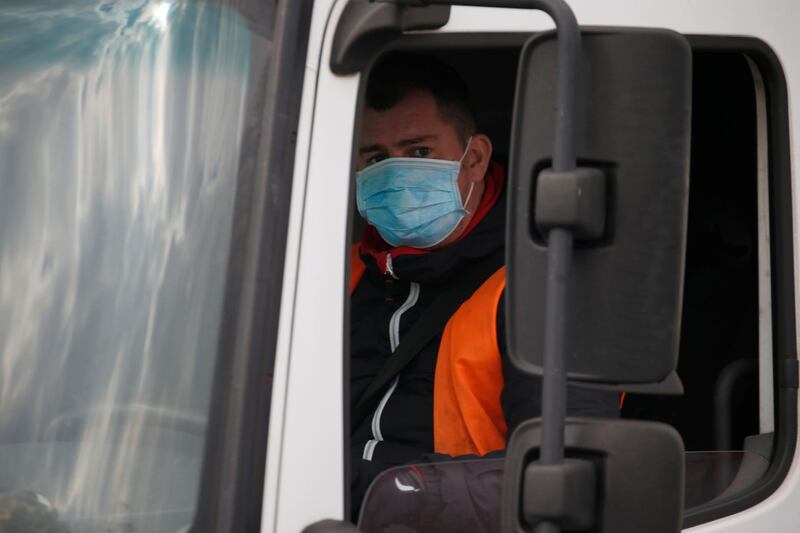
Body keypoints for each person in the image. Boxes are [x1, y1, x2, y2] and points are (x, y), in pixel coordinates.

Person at [349, 53, 619, 514]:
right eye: (375, 158)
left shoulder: (544, 286)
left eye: (418, 152)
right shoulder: (340, 269)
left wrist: (391, 495)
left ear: (473, 159)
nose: (394, 175)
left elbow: (563, 476)